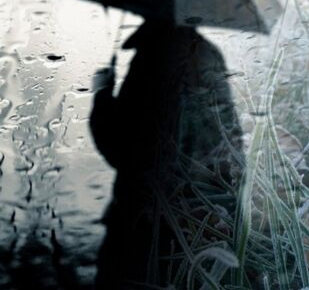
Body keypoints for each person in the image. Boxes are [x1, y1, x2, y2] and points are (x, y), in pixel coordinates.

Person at [89, 20, 243, 289]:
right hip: (204, 216)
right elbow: (231, 144)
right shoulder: (209, 54)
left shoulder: (153, 57)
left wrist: (102, 95)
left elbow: (125, 150)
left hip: (146, 223)